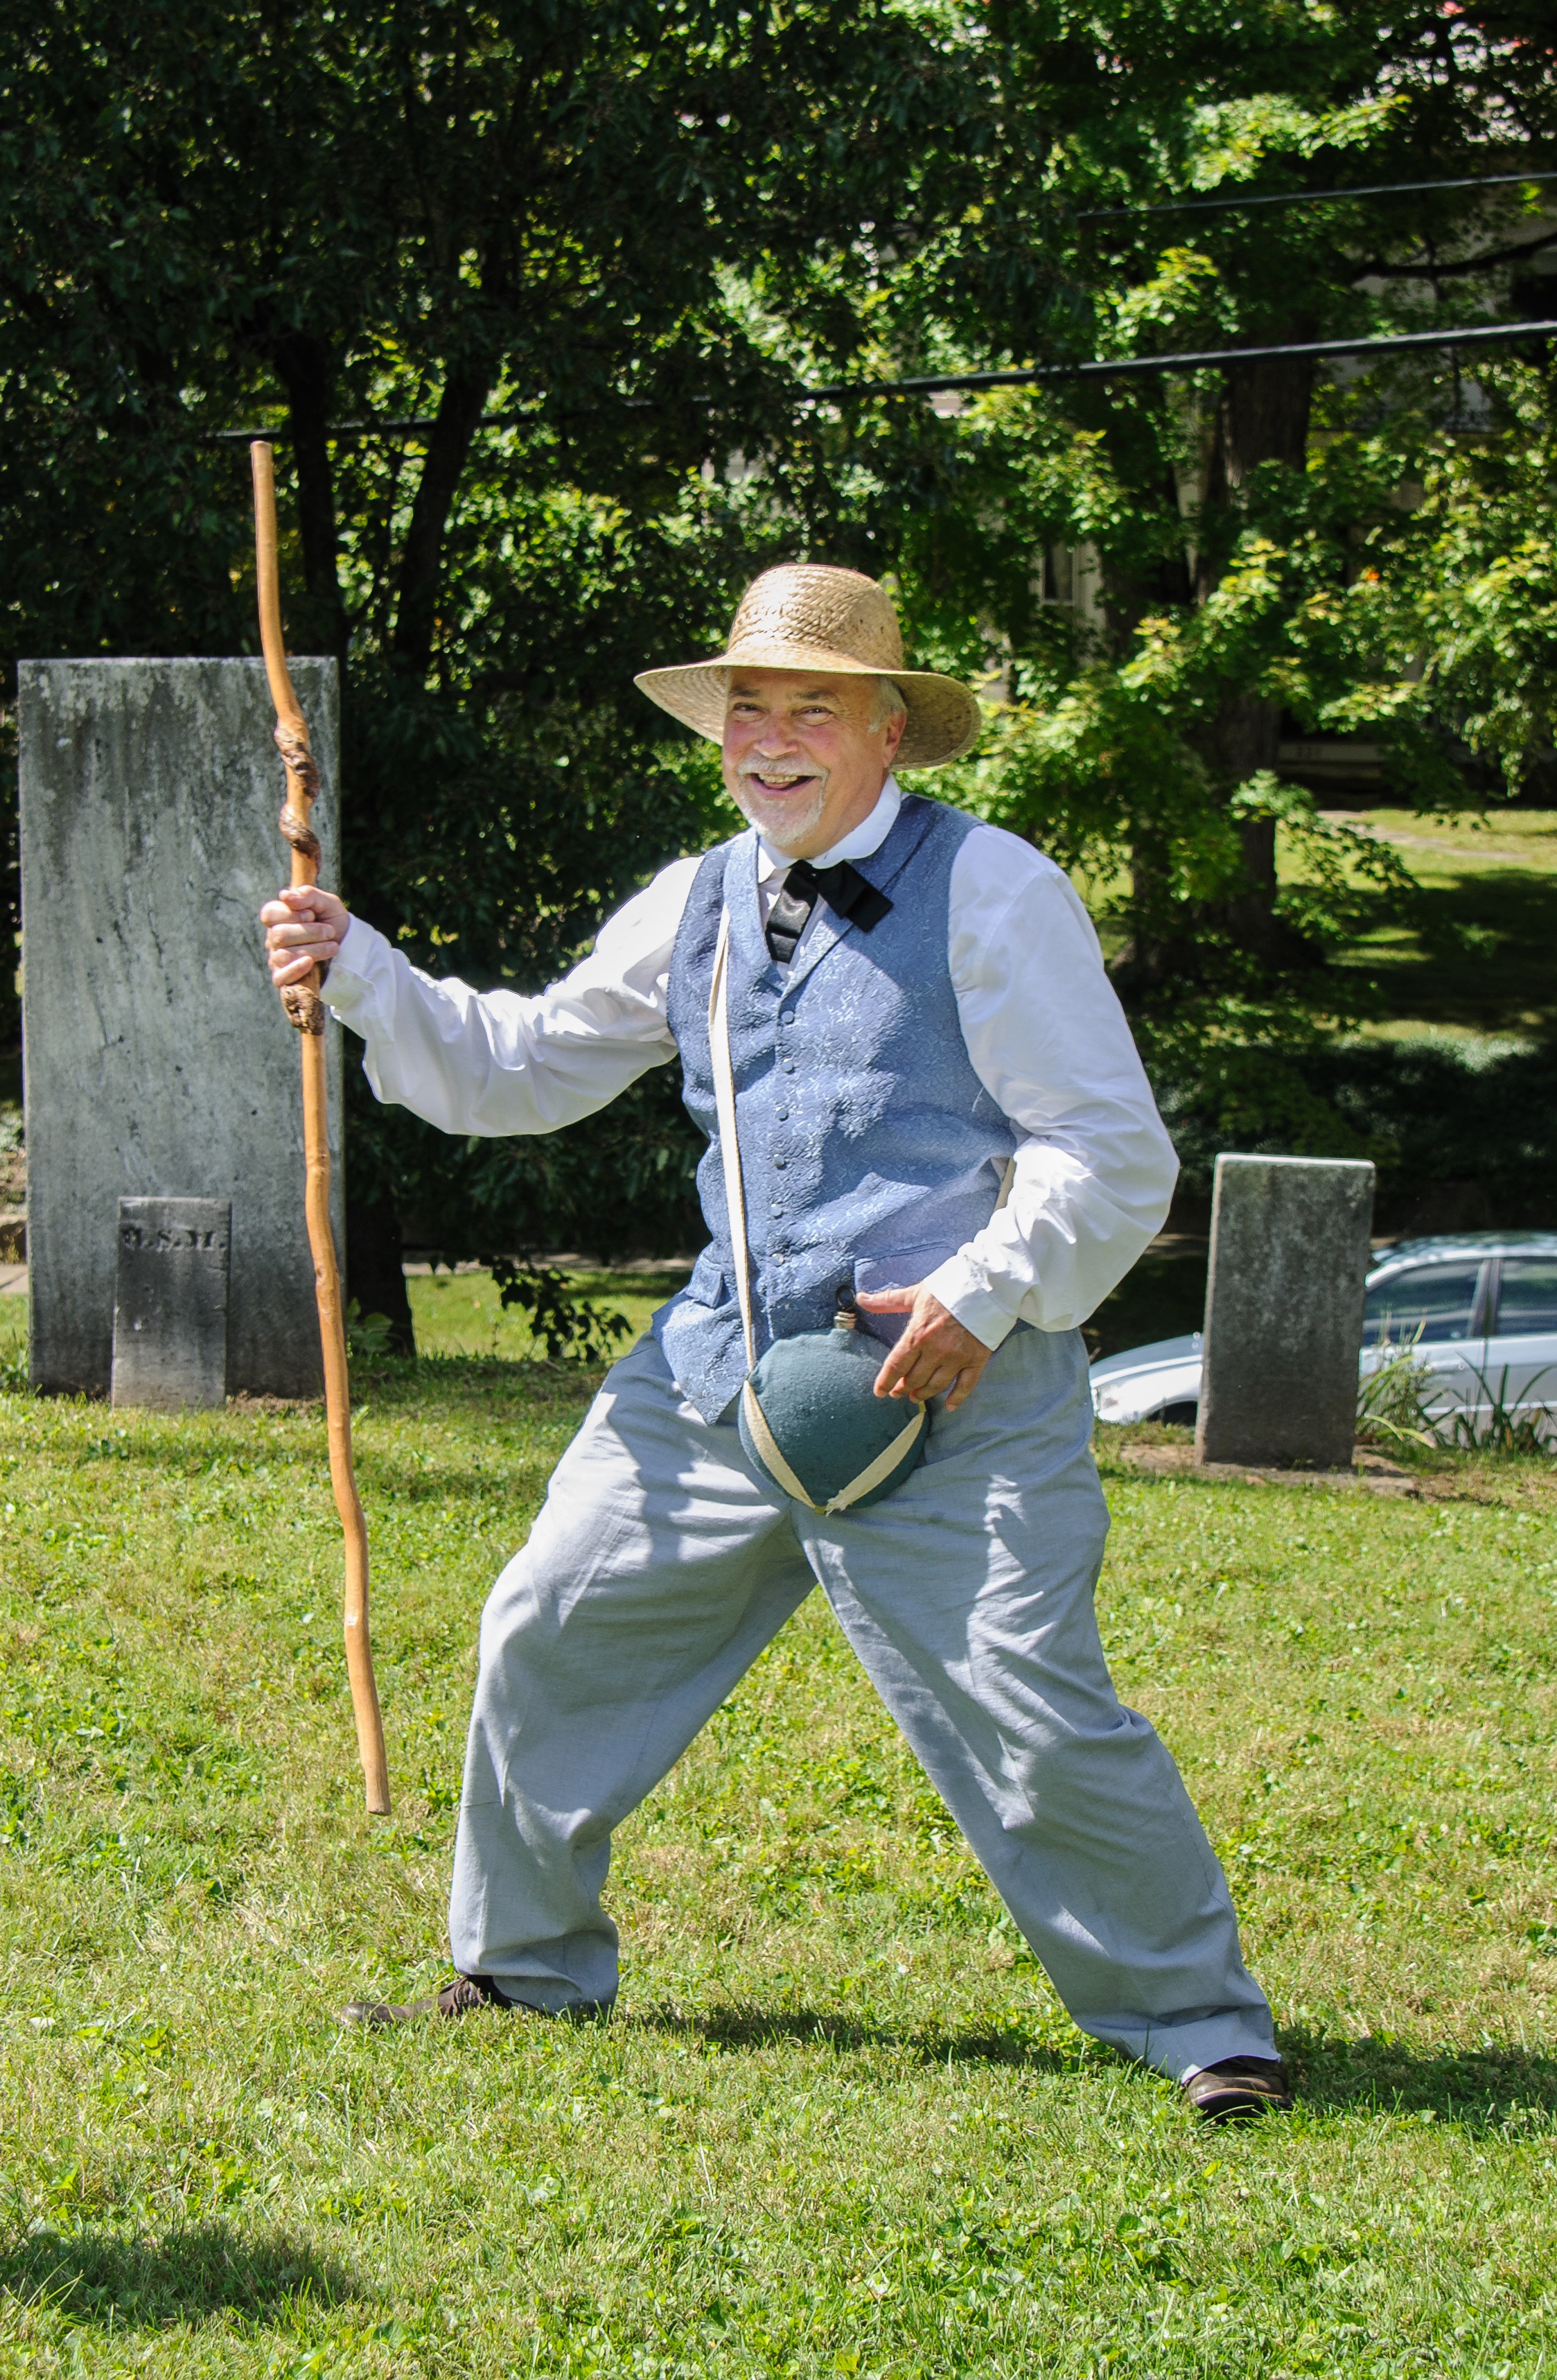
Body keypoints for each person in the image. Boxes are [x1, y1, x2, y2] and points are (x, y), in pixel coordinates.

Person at [261, 563, 1290, 2121]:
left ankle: (1197, 2017)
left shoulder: (996, 889)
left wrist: (981, 1291)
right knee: (547, 1619)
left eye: (815, 705)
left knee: (1024, 1690)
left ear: (888, 734)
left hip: (956, 1375)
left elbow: (1107, 1150)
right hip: (719, 1372)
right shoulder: (695, 900)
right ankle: (525, 1964)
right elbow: (524, 1064)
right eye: (749, 705)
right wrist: (357, 967)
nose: (774, 735)